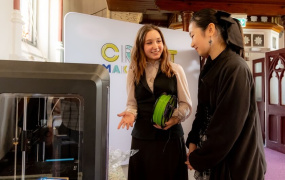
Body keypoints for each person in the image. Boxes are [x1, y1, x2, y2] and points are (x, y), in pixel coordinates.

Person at [185, 8, 267, 180]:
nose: (191, 43)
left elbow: (227, 128)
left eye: (192, 35)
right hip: (214, 158)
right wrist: (193, 141)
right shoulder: (210, 67)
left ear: (210, 30)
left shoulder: (235, 68)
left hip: (235, 164)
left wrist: (199, 158)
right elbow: (203, 110)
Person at [117, 24, 192, 180]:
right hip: (142, 139)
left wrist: (176, 118)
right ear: (140, 46)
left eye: (159, 41)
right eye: (149, 42)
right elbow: (132, 104)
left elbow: (186, 104)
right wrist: (130, 114)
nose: (156, 46)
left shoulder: (175, 69)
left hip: (170, 138)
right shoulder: (133, 71)